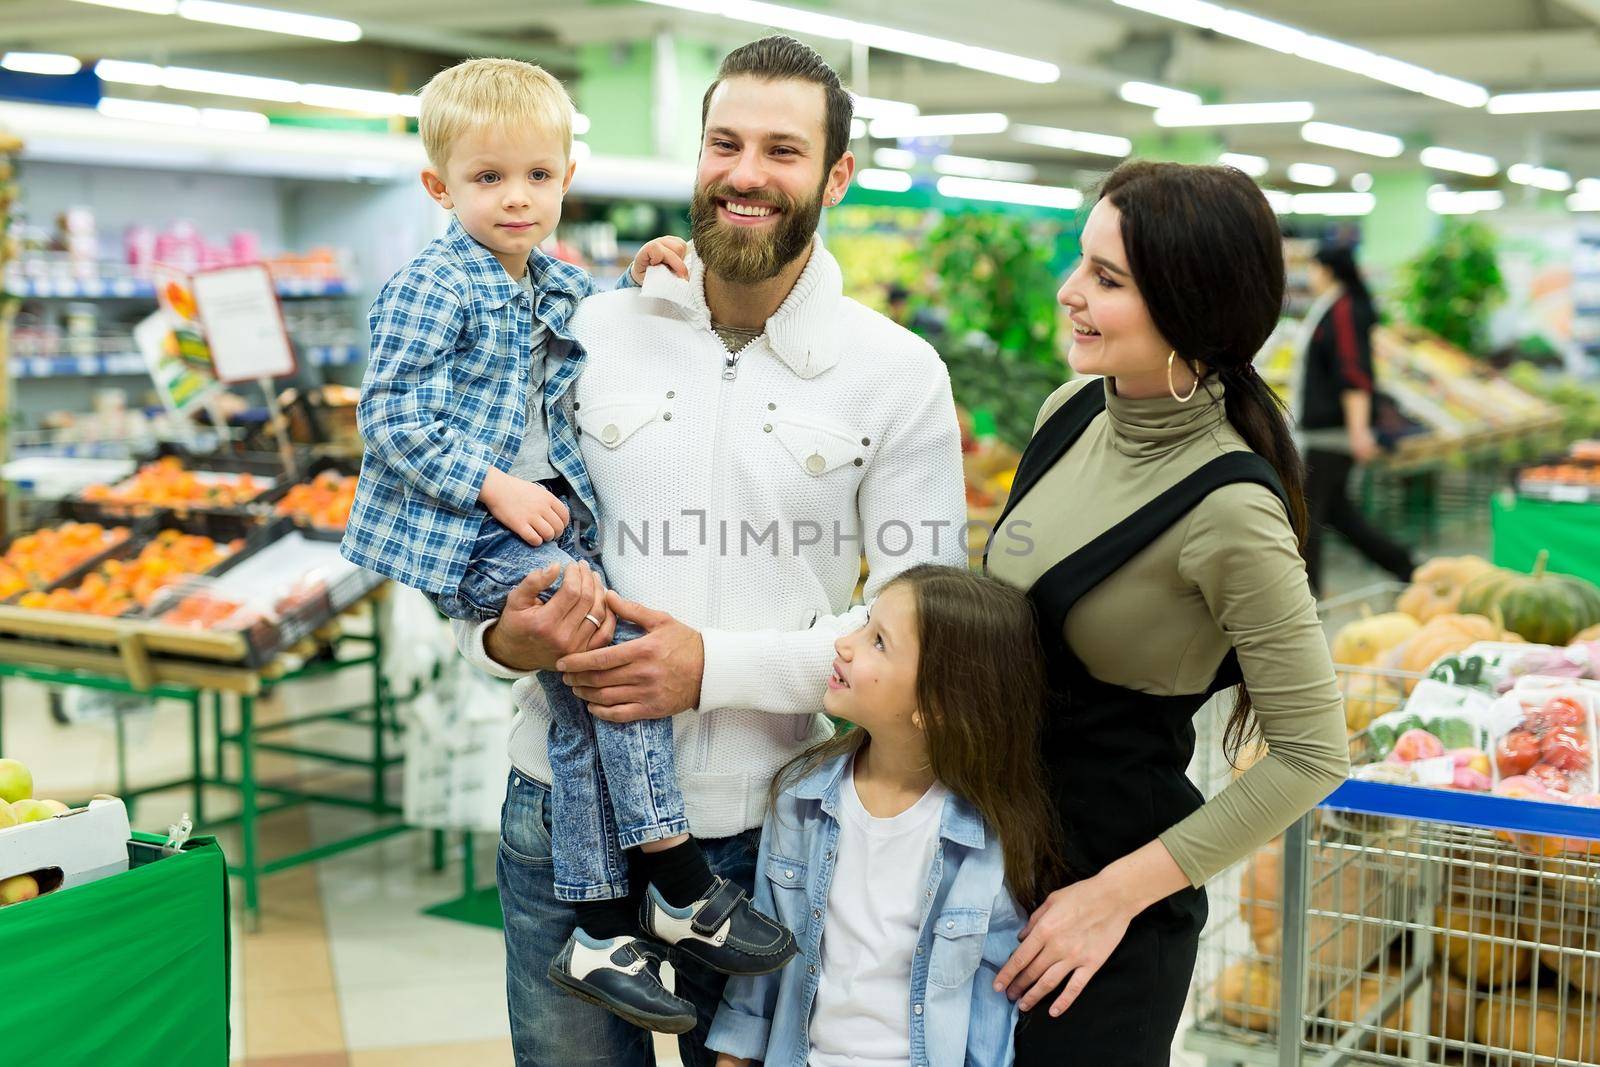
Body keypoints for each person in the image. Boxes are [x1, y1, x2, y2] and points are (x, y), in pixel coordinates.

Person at [452, 36, 968, 1067]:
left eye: (782, 150)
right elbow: (476, 557)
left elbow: (927, 625)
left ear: (835, 176)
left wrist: (711, 669)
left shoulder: (894, 373)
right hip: (559, 819)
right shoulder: (585, 331)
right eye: (723, 142)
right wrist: (505, 637)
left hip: (763, 832)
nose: (744, 172)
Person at [338, 57, 796, 1034]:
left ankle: (599, 923)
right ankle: (671, 871)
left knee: (586, 703)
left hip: (538, 514)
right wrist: (494, 482)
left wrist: (638, 276)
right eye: (488, 178)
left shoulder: (545, 273)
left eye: (538, 177)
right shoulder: (433, 286)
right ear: (438, 187)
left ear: (565, 177)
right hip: (471, 525)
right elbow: (390, 417)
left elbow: (584, 312)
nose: (517, 199)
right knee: (610, 655)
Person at [984, 160, 1350, 1065]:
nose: (1071, 293)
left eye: (1108, 280)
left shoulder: (1231, 508)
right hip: (988, 875)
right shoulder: (1069, 412)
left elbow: (1312, 752)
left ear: (1192, 303)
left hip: (1102, 923)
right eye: (1082, 264)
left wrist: (1115, 895)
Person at [707, 565, 1064, 1067]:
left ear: (937, 703)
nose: (846, 644)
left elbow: (990, 1011)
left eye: (878, 642)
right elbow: (761, 967)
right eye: (864, 623)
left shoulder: (988, 842)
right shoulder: (799, 800)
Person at [1297, 242, 1417, 594]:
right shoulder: (1334, 307)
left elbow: (1354, 373)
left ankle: (1307, 594)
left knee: (1307, 517)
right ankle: (1405, 565)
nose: (1309, 274)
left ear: (1326, 269)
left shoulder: (1344, 310)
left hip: (1331, 434)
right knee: (1336, 514)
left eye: (1312, 267)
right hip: (1326, 431)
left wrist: (1358, 429)